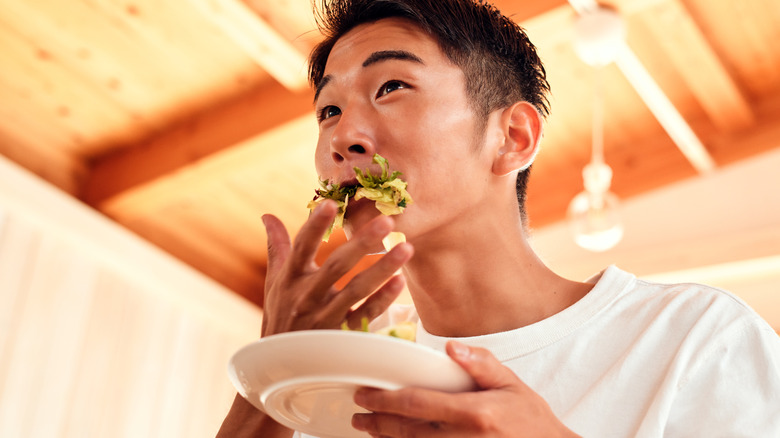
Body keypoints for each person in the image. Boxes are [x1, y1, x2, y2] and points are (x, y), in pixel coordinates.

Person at [217, 0, 780, 436]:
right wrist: (272, 373)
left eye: (390, 86)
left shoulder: (696, 337)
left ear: (513, 138)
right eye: (329, 110)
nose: (342, 137)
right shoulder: (340, 376)